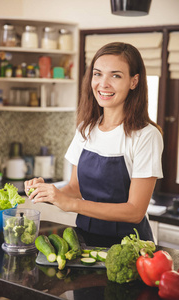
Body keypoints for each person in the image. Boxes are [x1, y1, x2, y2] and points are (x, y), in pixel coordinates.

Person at [25, 42, 163, 247]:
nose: (103, 84)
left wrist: (71, 204)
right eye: (98, 74)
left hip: (131, 246)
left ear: (134, 81)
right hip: (85, 240)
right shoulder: (86, 129)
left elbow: (135, 211)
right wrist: (48, 193)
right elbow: (75, 187)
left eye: (115, 75)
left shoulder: (146, 135)